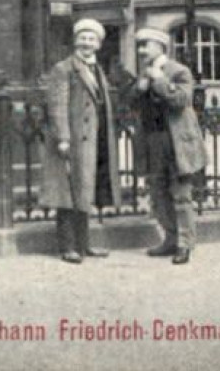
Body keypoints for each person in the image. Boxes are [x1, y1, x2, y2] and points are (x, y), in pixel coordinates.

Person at [39, 18, 122, 263]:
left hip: (94, 138)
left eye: (91, 39)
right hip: (73, 139)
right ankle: (68, 247)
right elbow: (58, 107)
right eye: (82, 38)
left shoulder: (97, 69)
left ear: (98, 44)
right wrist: (63, 137)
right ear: (76, 41)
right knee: (68, 193)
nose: (86, 43)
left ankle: (84, 245)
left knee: (85, 191)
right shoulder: (64, 68)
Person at [130, 27, 205, 264]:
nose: (142, 50)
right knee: (158, 193)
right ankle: (170, 239)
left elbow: (181, 100)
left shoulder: (179, 71)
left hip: (176, 142)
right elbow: (132, 103)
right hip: (152, 140)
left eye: (146, 45)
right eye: (140, 46)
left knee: (181, 195)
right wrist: (139, 87)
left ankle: (185, 244)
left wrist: (159, 80)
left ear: (161, 47)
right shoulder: (142, 73)